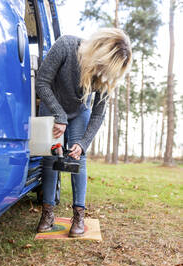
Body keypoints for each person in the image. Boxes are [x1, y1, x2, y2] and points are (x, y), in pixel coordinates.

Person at [35, 28, 132, 237]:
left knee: (78, 158)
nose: (102, 73)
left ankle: (78, 215)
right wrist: (59, 116)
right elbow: (41, 82)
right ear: (98, 52)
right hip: (53, 106)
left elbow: (98, 114)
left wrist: (83, 143)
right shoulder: (66, 45)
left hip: (79, 111)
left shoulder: (105, 74)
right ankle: (47, 214)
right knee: (51, 158)